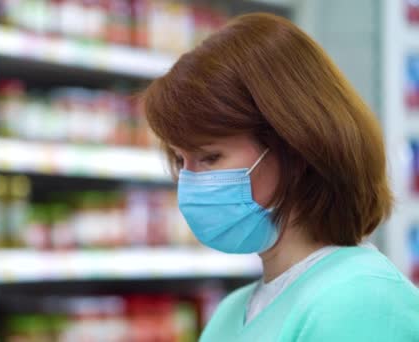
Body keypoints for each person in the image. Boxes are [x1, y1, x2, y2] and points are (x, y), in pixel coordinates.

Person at [142, 13, 419, 341]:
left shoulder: (363, 301)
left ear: (293, 146)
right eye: (179, 159)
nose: (189, 181)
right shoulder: (233, 310)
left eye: (210, 157)